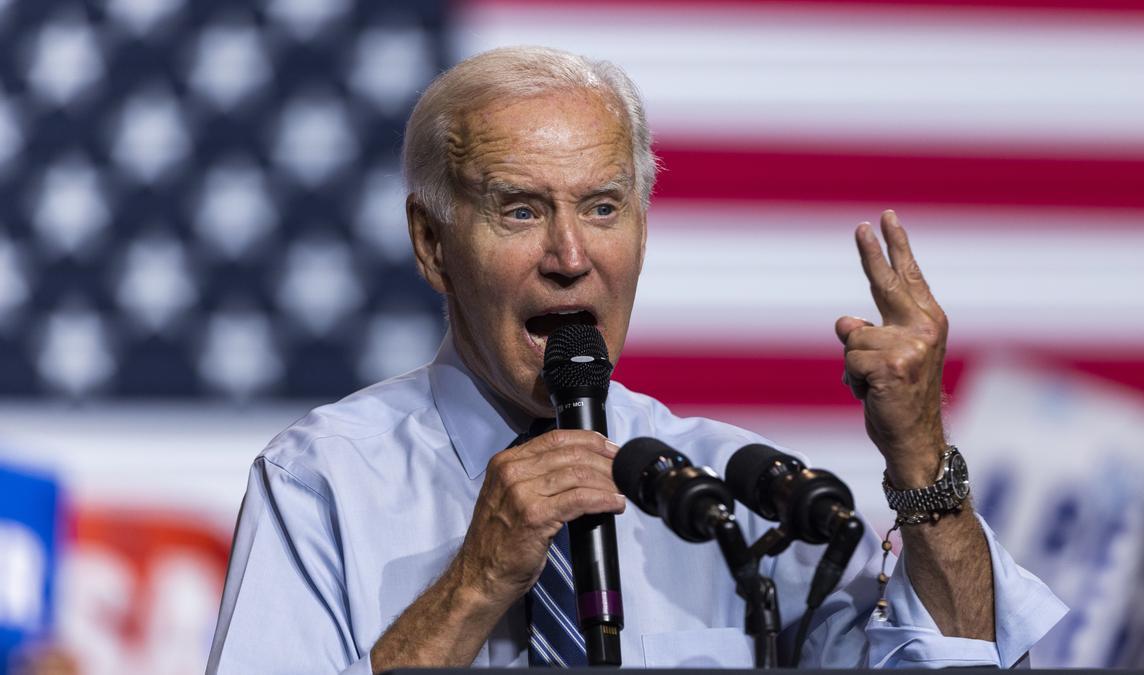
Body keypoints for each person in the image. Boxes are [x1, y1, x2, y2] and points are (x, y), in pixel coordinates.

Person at [206, 46, 1066, 674]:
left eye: (604, 207)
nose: (571, 255)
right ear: (432, 244)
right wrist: (472, 586)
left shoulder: (730, 490)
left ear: (644, 231)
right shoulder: (321, 481)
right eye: (519, 211)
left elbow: (962, 663)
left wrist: (918, 456)